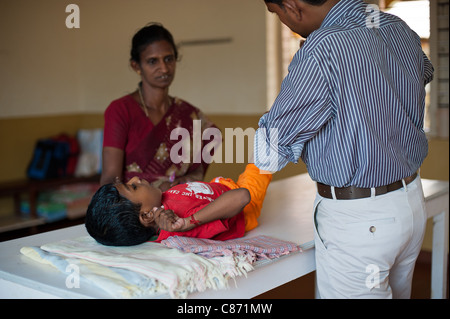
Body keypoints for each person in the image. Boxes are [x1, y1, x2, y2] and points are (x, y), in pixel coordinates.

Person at [254, 0, 434, 298]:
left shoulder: (323, 47)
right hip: (410, 202)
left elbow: (270, 149)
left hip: (361, 221)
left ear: (292, 6)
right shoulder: (396, 27)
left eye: (277, 14)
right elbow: (422, 73)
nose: (284, 22)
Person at [101, 23, 219, 191]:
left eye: (168, 59)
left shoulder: (189, 114)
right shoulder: (121, 110)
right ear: (136, 66)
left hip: (178, 208)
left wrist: (185, 182)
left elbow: (199, 168)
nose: (164, 68)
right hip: (135, 210)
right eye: (152, 61)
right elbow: (110, 178)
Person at [86, 163, 272, 246]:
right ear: (146, 216)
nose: (136, 177)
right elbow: (241, 197)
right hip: (244, 209)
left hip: (221, 186)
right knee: (265, 157)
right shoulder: (178, 225)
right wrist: (189, 222)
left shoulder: (160, 209)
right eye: (133, 187)